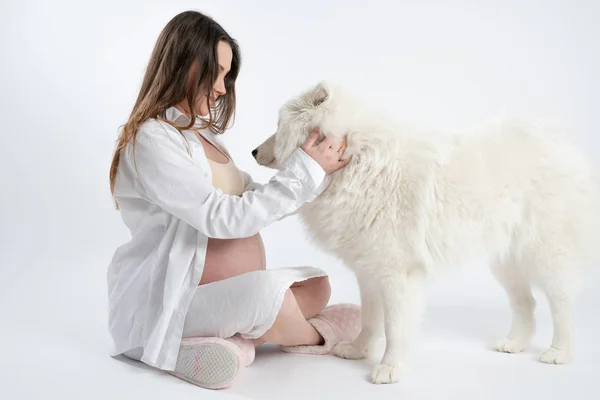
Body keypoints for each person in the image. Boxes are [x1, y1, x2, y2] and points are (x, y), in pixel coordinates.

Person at [107, 10, 361, 390]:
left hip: (223, 299)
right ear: (185, 64)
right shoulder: (153, 140)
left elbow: (252, 197)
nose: (223, 88)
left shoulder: (200, 137)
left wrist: (316, 173)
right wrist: (303, 171)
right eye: (217, 73)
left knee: (318, 284)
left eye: (228, 76)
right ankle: (309, 337)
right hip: (176, 301)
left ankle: (236, 339)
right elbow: (219, 218)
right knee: (265, 296)